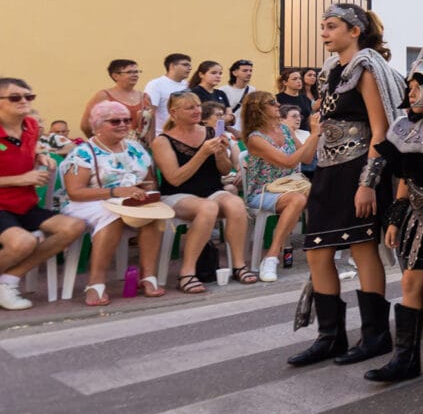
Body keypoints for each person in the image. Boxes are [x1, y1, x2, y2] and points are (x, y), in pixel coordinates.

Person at [288, 3, 406, 369]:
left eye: (332, 26)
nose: (324, 32)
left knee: (361, 249)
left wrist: (368, 184)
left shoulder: (367, 69)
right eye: (322, 26)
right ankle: (330, 336)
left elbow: (380, 128)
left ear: (355, 31)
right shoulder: (330, 72)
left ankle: (375, 335)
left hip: (359, 169)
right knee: (318, 252)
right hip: (327, 168)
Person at [366, 52, 423, 384]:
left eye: (417, 87)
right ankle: (405, 359)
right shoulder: (404, 126)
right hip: (417, 216)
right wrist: (395, 217)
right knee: (410, 282)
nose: (411, 94)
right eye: (410, 87)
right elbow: (404, 176)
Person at [58, 100, 166, 306]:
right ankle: (96, 282)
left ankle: (148, 276)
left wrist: (144, 190)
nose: (123, 124)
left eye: (127, 120)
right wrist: (115, 191)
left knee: (152, 215)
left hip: (127, 201)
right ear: (97, 125)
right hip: (90, 202)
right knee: (113, 215)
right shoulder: (83, 152)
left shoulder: (135, 148)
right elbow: (75, 193)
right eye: (115, 121)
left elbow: (151, 180)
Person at [152, 92, 256, 291]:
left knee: (235, 204)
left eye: (198, 106)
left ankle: (239, 264)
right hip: (176, 194)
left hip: (211, 190)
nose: (197, 111)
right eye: (190, 107)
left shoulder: (210, 132)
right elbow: (175, 178)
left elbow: (225, 170)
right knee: (208, 208)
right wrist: (202, 153)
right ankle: (187, 273)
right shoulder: (162, 141)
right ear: (174, 112)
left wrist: (219, 154)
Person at [0, 79, 86, 310]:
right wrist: (20, 179)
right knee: (23, 242)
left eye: (29, 97)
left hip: (25, 205)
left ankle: (8, 281)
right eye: (15, 97)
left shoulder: (29, 125)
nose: (24, 101)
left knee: (74, 226)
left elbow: (31, 144)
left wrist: (39, 155)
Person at [240, 91, 319, 281]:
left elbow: (307, 158)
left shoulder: (285, 130)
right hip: (263, 190)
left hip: (291, 185)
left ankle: (324, 250)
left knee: (323, 193)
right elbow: (288, 163)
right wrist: (314, 134)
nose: (277, 105)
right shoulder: (255, 138)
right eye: (271, 103)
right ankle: (272, 256)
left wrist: (315, 136)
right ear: (258, 109)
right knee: (298, 199)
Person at [79, 59, 152, 141]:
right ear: (115, 76)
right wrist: (101, 142)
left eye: (136, 72)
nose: (135, 75)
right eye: (129, 72)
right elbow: (85, 125)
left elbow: (151, 126)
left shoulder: (145, 97)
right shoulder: (104, 95)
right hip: (113, 147)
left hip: (140, 148)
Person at [143, 53, 191, 135]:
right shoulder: (156, 84)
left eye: (189, 65)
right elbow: (150, 113)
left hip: (185, 135)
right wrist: (150, 137)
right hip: (163, 135)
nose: (190, 68)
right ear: (172, 66)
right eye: (185, 65)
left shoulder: (188, 85)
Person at [222, 59, 255, 135]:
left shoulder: (253, 91)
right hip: (228, 133)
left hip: (247, 133)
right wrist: (233, 131)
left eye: (250, 71)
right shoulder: (223, 91)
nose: (249, 73)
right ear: (235, 72)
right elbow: (220, 117)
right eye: (245, 71)